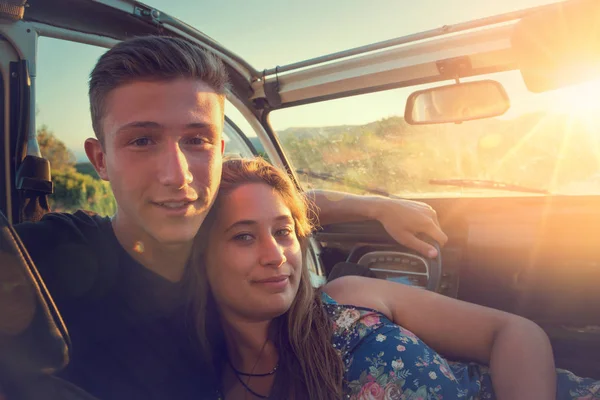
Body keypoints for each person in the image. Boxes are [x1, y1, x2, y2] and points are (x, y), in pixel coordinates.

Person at [11, 36, 446, 400]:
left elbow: (272, 205)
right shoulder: (44, 259)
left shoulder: (233, 260)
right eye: (142, 140)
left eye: (197, 139)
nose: (176, 176)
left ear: (220, 154)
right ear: (100, 159)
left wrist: (376, 206)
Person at [190, 157, 600, 400]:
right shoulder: (203, 376)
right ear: (199, 255)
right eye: (243, 237)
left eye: (284, 233)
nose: (276, 255)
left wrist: (373, 206)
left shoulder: (345, 298)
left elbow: (515, 332)